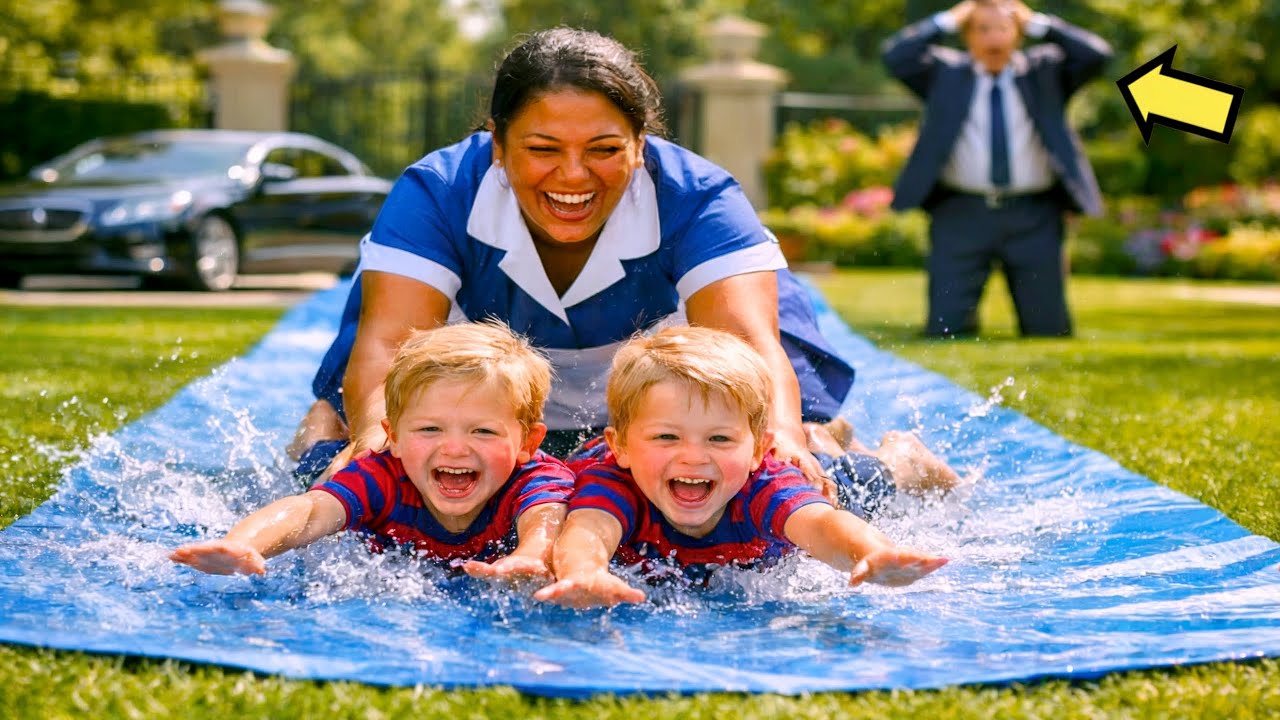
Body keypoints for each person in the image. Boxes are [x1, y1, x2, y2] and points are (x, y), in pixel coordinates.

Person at [290, 27, 956, 505]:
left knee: (797, 468)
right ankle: (328, 420)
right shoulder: (438, 189)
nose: (573, 175)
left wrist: (783, 440)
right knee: (347, 463)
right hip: (486, 371)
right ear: (497, 145)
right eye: (543, 148)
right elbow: (387, 340)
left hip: (671, 368)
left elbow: (751, 347)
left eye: (604, 148)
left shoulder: (698, 197)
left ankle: (888, 459)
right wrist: (373, 436)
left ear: (642, 145)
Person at [534, 326, 950, 608]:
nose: (693, 456)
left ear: (757, 450)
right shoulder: (611, 481)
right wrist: (584, 573)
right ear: (620, 447)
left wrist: (873, 553)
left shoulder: (765, 482)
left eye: (718, 438)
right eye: (666, 437)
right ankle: (823, 433)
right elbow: (587, 531)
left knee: (863, 486)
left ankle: (897, 454)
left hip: (814, 472)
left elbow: (823, 526)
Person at [171, 321, 574, 580]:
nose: (454, 448)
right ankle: (324, 421)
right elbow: (308, 511)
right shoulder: (380, 475)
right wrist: (244, 544)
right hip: (333, 467)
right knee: (315, 462)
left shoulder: (536, 480)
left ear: (527, 443)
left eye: (483, 431)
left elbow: (547, 518)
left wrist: (531, 556)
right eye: (429, 428)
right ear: (393, 436)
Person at [882, 0, 1112, 338]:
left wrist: (1039, 23)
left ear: (1019, 33)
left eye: (1003, 28)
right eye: (982, 29)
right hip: (961, 214)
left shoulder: (1044, 72)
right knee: (946, 329)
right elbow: (895, 56)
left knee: (1048, 329)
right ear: (967, 36)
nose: (994, 39)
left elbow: (1097, 55)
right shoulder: (944, 74)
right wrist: (947, 19)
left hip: (1033, 217)